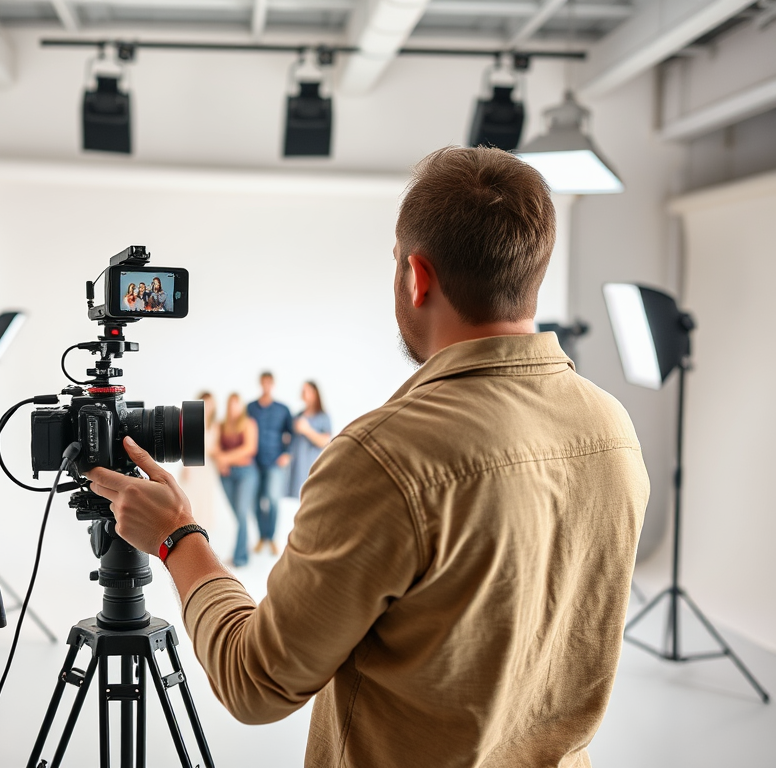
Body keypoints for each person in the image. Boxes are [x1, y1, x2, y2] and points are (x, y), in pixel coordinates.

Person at [86, 146, 649, 767]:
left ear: (417, 276)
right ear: (530, 274)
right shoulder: (613, 429)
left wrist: (176, 537)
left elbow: (256, 682)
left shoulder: (383, 458)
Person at [246, 372, 293, 556]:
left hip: (275, 462)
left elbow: (292, 434)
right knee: (256, 501)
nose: (266, 385)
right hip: (254, 463)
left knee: (273, 500)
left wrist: (287, 454)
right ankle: (262, 537)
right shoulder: (250, 407)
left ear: (272, 384)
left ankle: (272, 538)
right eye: (263, 382)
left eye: (269, 382)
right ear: (260, 384)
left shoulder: (283, 409)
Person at [212, 393, 259, 567]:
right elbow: (215, 448)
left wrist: (225, 459)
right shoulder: (221, 425)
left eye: (237, 404)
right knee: (238, 516)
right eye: (231, 404)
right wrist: (222, 460)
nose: (234, 408)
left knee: (241, 512)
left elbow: (249, 448)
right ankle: (244, 550)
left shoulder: (249, 424)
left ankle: (240, 558)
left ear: (241, 406)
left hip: (247, 473)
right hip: (227, 476)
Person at [179, 392, 220, 531]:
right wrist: (186, 467)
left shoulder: (216, 425)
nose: (208, 407)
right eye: (205, 403)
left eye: (210, 404)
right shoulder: (192, 422)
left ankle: (202, 533)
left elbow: (216, 448)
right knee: (190, 499)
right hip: (193, 465)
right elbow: (187, 445)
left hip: (208, 469)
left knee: (205, 502)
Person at [287, 381, 331, 499]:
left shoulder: (323, 417)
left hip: (313, 467)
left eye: (307, 391)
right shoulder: (298, 416)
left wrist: (307, 430)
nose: (304, 394)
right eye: (303, 391)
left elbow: (326, 442)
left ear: (315, 393)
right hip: (297, 468)